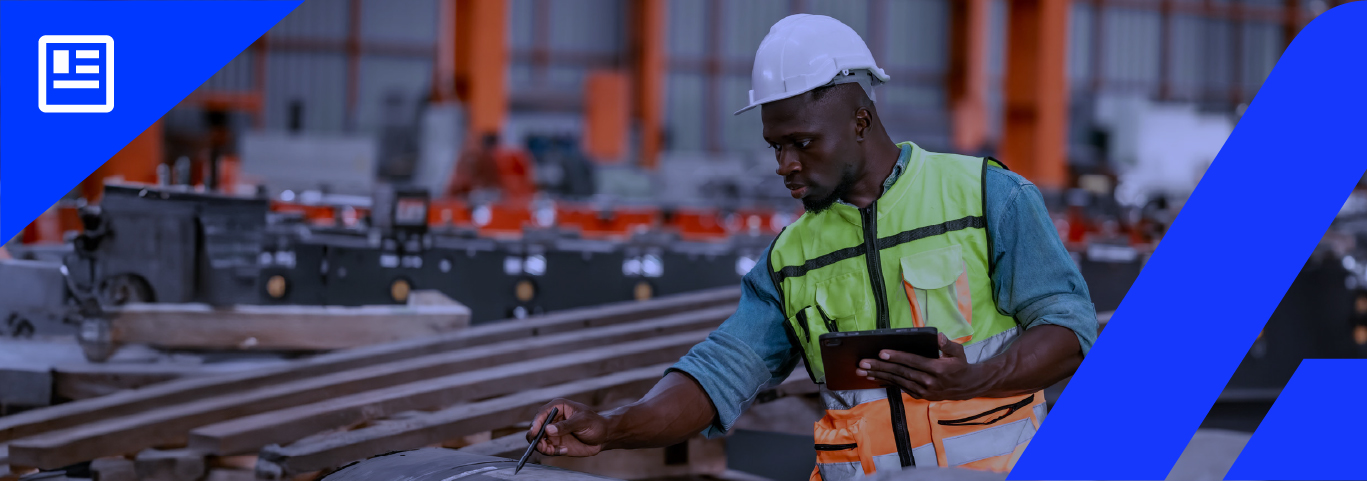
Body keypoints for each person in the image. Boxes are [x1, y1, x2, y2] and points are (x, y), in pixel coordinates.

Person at [527, 14, 1097, 480]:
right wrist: (614, 425)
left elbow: (1070, 331)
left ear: (860, 119)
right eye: (776, 146)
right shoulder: (789, 258)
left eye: (802, 143)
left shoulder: (984, 196)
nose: (786, 165)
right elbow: (722, 371)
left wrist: (974, 377)